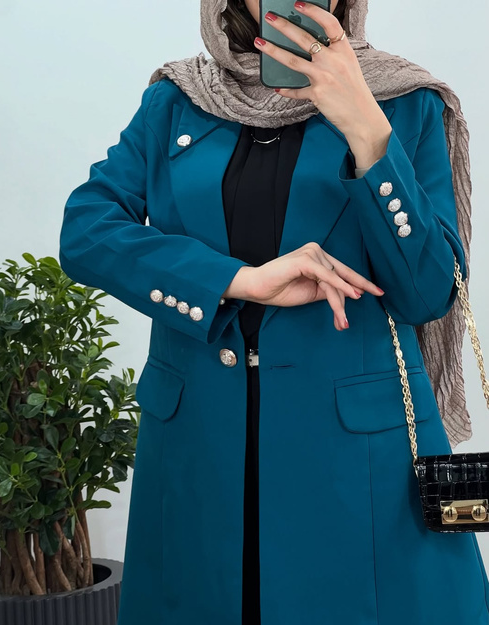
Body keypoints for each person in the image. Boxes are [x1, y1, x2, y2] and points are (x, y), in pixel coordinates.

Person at [59, 0, 489, 623]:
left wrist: (365, 127)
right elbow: (87, 232)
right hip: (198, 450)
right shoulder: (176, 100)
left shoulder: (403, 101)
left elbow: (428, 293)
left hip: (356, 464)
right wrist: (240, 281)